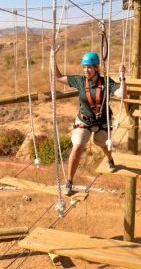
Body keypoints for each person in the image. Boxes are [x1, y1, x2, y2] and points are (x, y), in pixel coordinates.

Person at [53, 46, 125, 196]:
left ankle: (110, 159)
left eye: (89, 68)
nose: (86, 70)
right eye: (85, 67)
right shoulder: (79, 81)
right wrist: (52, 58)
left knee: (103, 145)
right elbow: (58, 77)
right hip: (84, 121)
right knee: (77, 147)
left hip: (102, 122)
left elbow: (121, 93)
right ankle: (69, 182)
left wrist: (122, 76)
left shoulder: (106, 82)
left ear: (96, 68)